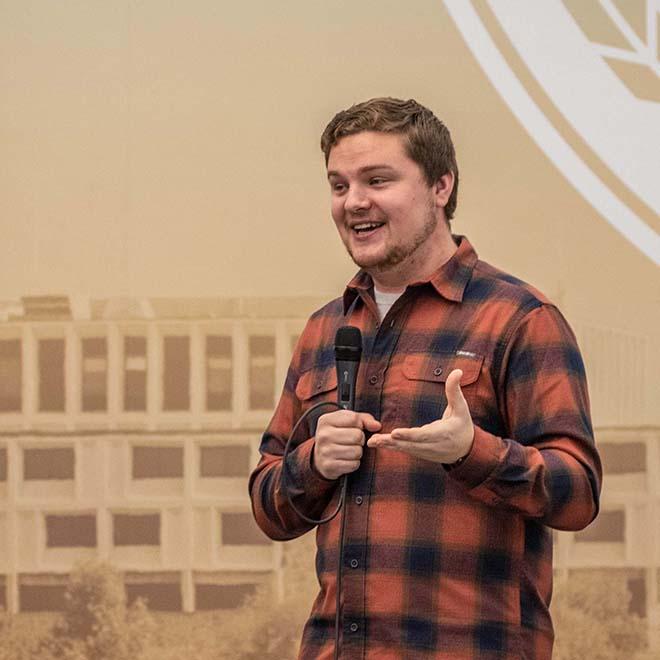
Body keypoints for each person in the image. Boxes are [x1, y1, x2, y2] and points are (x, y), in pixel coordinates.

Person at [249, 97, 602, 660]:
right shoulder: (325, 329)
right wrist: (311, 463)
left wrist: (473, 452)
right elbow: (268, 506)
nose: (354, 202)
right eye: (338, 185)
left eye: (377, 180)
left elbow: (579, 493)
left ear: (441, 186)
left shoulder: (520, 319)